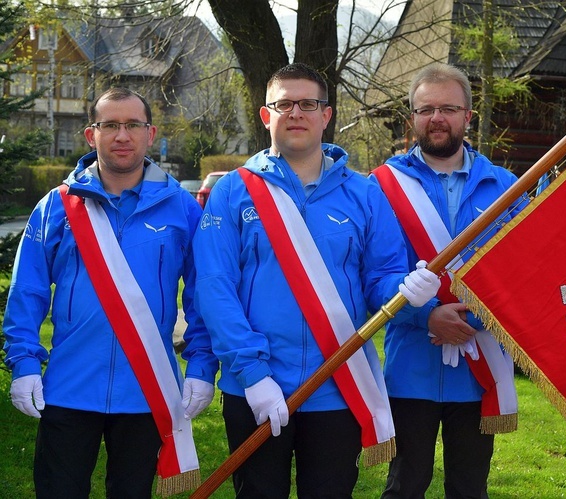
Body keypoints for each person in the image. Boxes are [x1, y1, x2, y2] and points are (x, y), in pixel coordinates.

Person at [191, 63, 440, 498]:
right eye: (284, 103)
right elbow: (214, 287)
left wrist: (407, 291)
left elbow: (381, 277)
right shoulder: (233, 192)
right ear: (266, 116)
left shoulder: (364, 193)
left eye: (309, 103)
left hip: (337, 387)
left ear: (326, 115)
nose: (296, 113)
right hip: (254, 385)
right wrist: (252, 373)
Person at [2, 88, 218, 498]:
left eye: (133, 125)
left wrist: (202, 366)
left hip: (146, 389)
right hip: (68, 388)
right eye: (111, 125)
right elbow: (26, 290)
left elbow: (204, 295)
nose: (123, 135)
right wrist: (25, 361)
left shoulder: (183, 209)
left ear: (150, 133)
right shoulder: (57, 207)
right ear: (91, 135)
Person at [371, 63, 530, 498]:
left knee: (469, 487)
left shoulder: (508, 189)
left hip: (479, 372)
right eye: (426, 109)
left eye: (447, 108)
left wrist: (473, 319)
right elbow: (375, 276)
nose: (436, 118)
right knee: (405, 487)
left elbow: (521, 273)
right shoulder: (381, 188)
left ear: (468, 117)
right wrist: (426, 318)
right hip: (410, 372)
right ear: (412, 118)